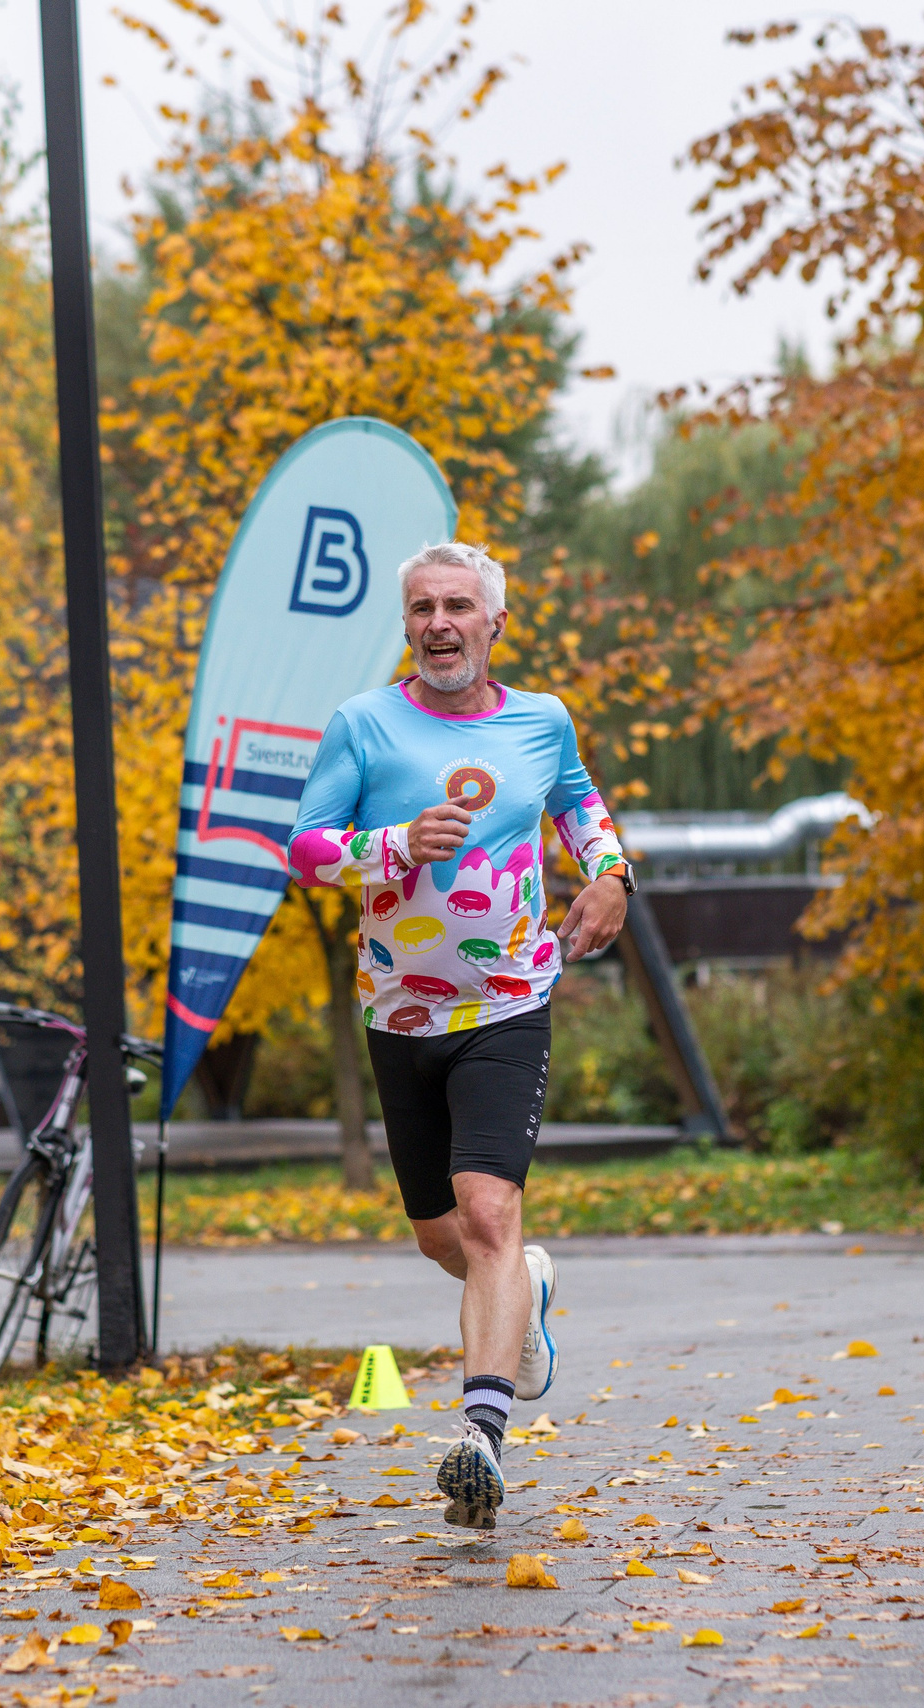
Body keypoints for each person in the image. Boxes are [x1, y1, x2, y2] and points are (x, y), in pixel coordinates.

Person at [287, 540, 633, 1531]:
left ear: (495, 623)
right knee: (445, 1236)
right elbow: (305, 850)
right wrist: (393, 845)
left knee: (488, 1213)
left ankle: (481, 1436)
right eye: (422, 608)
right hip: (399, 1010)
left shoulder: (541, 720)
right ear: (407, 625)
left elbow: (576, 801)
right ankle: (526, 1288)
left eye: (458, 605)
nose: (439, 622)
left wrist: (611, 874)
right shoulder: (363, 724)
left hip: (507, 1002)